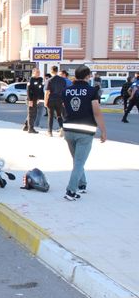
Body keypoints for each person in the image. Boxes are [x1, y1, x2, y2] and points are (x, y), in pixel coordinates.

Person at [61, 65, 107, 201]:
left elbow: (64, 109)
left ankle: (82, 184)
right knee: (79, 162)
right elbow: (97, 112)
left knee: (77, 160)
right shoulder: (92, 91)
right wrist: (103, 131)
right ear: (88, 76)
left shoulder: (66, 91)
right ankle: (70, 191)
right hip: (85, 131)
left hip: (68, 129)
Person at [44, 66, 66, 136]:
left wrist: (45, 101)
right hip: (59, 99)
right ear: (57, 71)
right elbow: (64, 91)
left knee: (50, 116)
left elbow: (47, 92)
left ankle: (50, 132)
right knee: (59, 115)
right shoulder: (63, 80)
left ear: (51, 71)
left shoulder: (49, 80)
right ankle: (61, 128)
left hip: (51, 100)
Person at [23, 67, 44, 133]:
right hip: (31, 99)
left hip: (36, 99)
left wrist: (40, 99)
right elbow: (28, 90)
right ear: (33, 73)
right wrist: (30, 100)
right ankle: (31, 129)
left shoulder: (40, 79)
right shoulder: (31, 80)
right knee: (32, 114)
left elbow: (41, 90)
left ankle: (26, 126)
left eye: (39, 72)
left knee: (31, 114)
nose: (38, 73)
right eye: (37, 72)